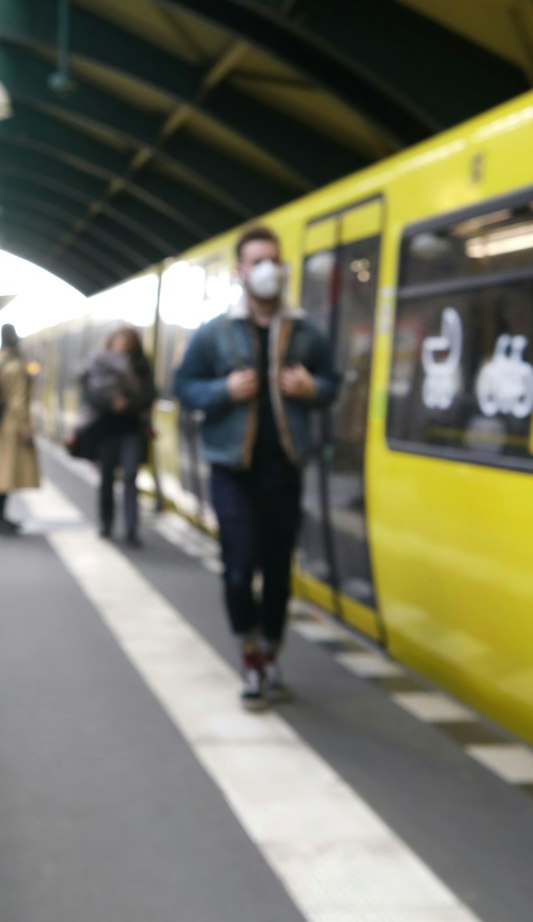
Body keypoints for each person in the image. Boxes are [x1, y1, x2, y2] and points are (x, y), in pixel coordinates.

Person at [175, 226, 339, 710]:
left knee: (278, 571)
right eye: (258, 260)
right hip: (232, 468)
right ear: (240, 271)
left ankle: (270, 649)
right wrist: (224, 391)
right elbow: (184, 387)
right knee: (237, 567)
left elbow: (333, 382)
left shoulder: (307, 331)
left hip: (284, 468)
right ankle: (249, 654)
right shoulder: (214, 332)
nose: (268, 269)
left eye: (274, 259)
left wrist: (313, 389)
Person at [79, 326, 155, 547]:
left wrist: (128, 404)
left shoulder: (140, 364)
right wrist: (111, 403)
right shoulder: (98, 362)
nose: (123, 344)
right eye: (120, 339)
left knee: (131, 476)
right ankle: (106, 524)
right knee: (107, 478)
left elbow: (150, 394)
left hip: (132, 429)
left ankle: (132, 530)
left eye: (128, 340)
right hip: (106, 429)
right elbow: (88, 393)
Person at [0, 324, 40, 535]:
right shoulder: (15, 365)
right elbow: (18, 399)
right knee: (5, 474)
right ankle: (0, 519)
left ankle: (0, 517)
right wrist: (25, 426)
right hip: (12, 424)